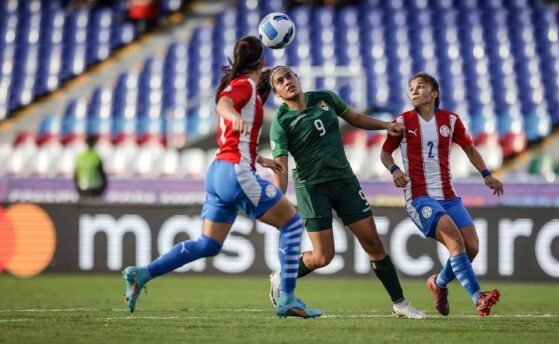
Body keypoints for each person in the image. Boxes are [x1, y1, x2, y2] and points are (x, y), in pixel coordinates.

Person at [122, 36, 321, 318]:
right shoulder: (244, 85)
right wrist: (231, 115)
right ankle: (287, 297)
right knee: (291, 223)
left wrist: (260, 158)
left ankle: (142, 274)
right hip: (235, 172)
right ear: (261, 62)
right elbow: (223, 104)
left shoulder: (238, 84)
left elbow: (231, 128)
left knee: (208, 244)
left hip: (219, 171)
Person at [265, 66, 426, 319]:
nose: (287, 82)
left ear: (298, 77)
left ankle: (400, 304)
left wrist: (385, 125)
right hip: (312, 188)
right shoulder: (280, 123)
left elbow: (354, 118)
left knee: (373, 243)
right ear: (276, 92)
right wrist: (276, 200)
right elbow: (281, 167)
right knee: (322, 257)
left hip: (344, 181)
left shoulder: (325, 98)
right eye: (280, 81)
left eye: (289, 76)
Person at [380, 72, 504, 316]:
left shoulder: (451, 120)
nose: (413, 91)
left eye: (420, 87)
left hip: (448, 195)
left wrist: (486, 174)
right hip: (419, 197)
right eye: (411, 88)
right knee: (455, 242)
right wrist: (394, 170)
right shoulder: (402, 121)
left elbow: (469, 148)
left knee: (472, 247)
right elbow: (385, 153)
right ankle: (478, 297)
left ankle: (438, 284)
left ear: (434, 93)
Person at [74, 135, 107, 199]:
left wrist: (78, 187)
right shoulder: (96, 156)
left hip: (83, 187)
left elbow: (76, 174)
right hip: (95, 187)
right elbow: (102, 173)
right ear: (94, 143)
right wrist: (103, 187)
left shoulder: (80, 157)